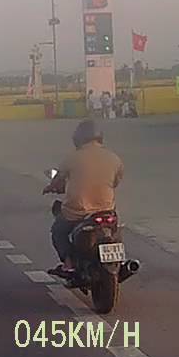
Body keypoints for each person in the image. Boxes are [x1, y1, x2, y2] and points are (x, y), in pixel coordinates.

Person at [44, 119, 125, 283]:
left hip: (78, 212)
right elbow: (116, 182)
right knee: (116, 230)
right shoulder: (114, 158)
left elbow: (58, 181)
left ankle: (69, 264)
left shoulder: (72, 158)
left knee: (58, 231)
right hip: (107, 211)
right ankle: (120, 262)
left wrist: (51, 187)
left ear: (78, 139)